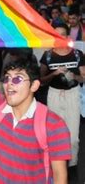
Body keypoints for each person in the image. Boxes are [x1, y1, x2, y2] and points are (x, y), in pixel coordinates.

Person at [0, 36, 71, 183]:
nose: (9, 84)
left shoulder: (54, 125)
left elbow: (60, 176)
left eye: (17, 79)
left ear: (34, 85)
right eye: (7, 78)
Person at [39, 23, 84, 169]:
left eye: (62, 34)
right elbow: (41, 80)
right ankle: (56, 165)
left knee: (73, 139)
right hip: (54, 95)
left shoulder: (77, 54)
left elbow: (83, 78)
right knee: (55, 134)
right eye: (56, 34)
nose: (59, 37)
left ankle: (72, 166)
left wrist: (74, 76)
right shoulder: (48, 55)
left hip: (73, 95)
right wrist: (54, 73)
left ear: (67, 36)